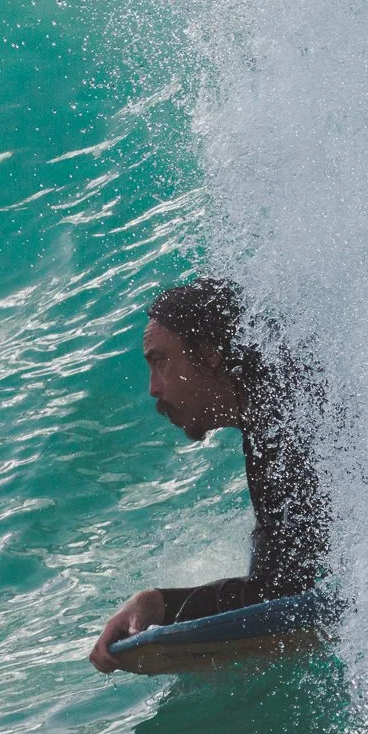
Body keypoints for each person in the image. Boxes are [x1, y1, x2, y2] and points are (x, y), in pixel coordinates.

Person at [88, 278, 328, 673]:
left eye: (161, 362)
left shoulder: (290, 426)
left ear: (210, 353)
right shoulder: (274, 413)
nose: (152, 388)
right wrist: (158, 604)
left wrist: (163, 607)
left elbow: (283, 594)